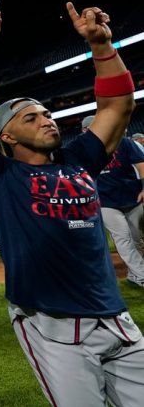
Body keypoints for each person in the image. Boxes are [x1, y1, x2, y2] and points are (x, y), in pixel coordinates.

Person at [0, 0, 144, 407]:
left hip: (115, 317)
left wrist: (102, 46)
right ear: (5, 136)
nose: (46, 119)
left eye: (47, 113)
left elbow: (118, 106)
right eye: (31, 117)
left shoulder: (78, 158)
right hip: (52, 326)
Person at [81, 115, 144, 287]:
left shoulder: (124, 143)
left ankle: (135, 275)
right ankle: (142, 274)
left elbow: (141, 165)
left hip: (133, 197)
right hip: (106, 202)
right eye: (86, 130)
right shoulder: (82, 152)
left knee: (136, 239)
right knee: (122, 238)